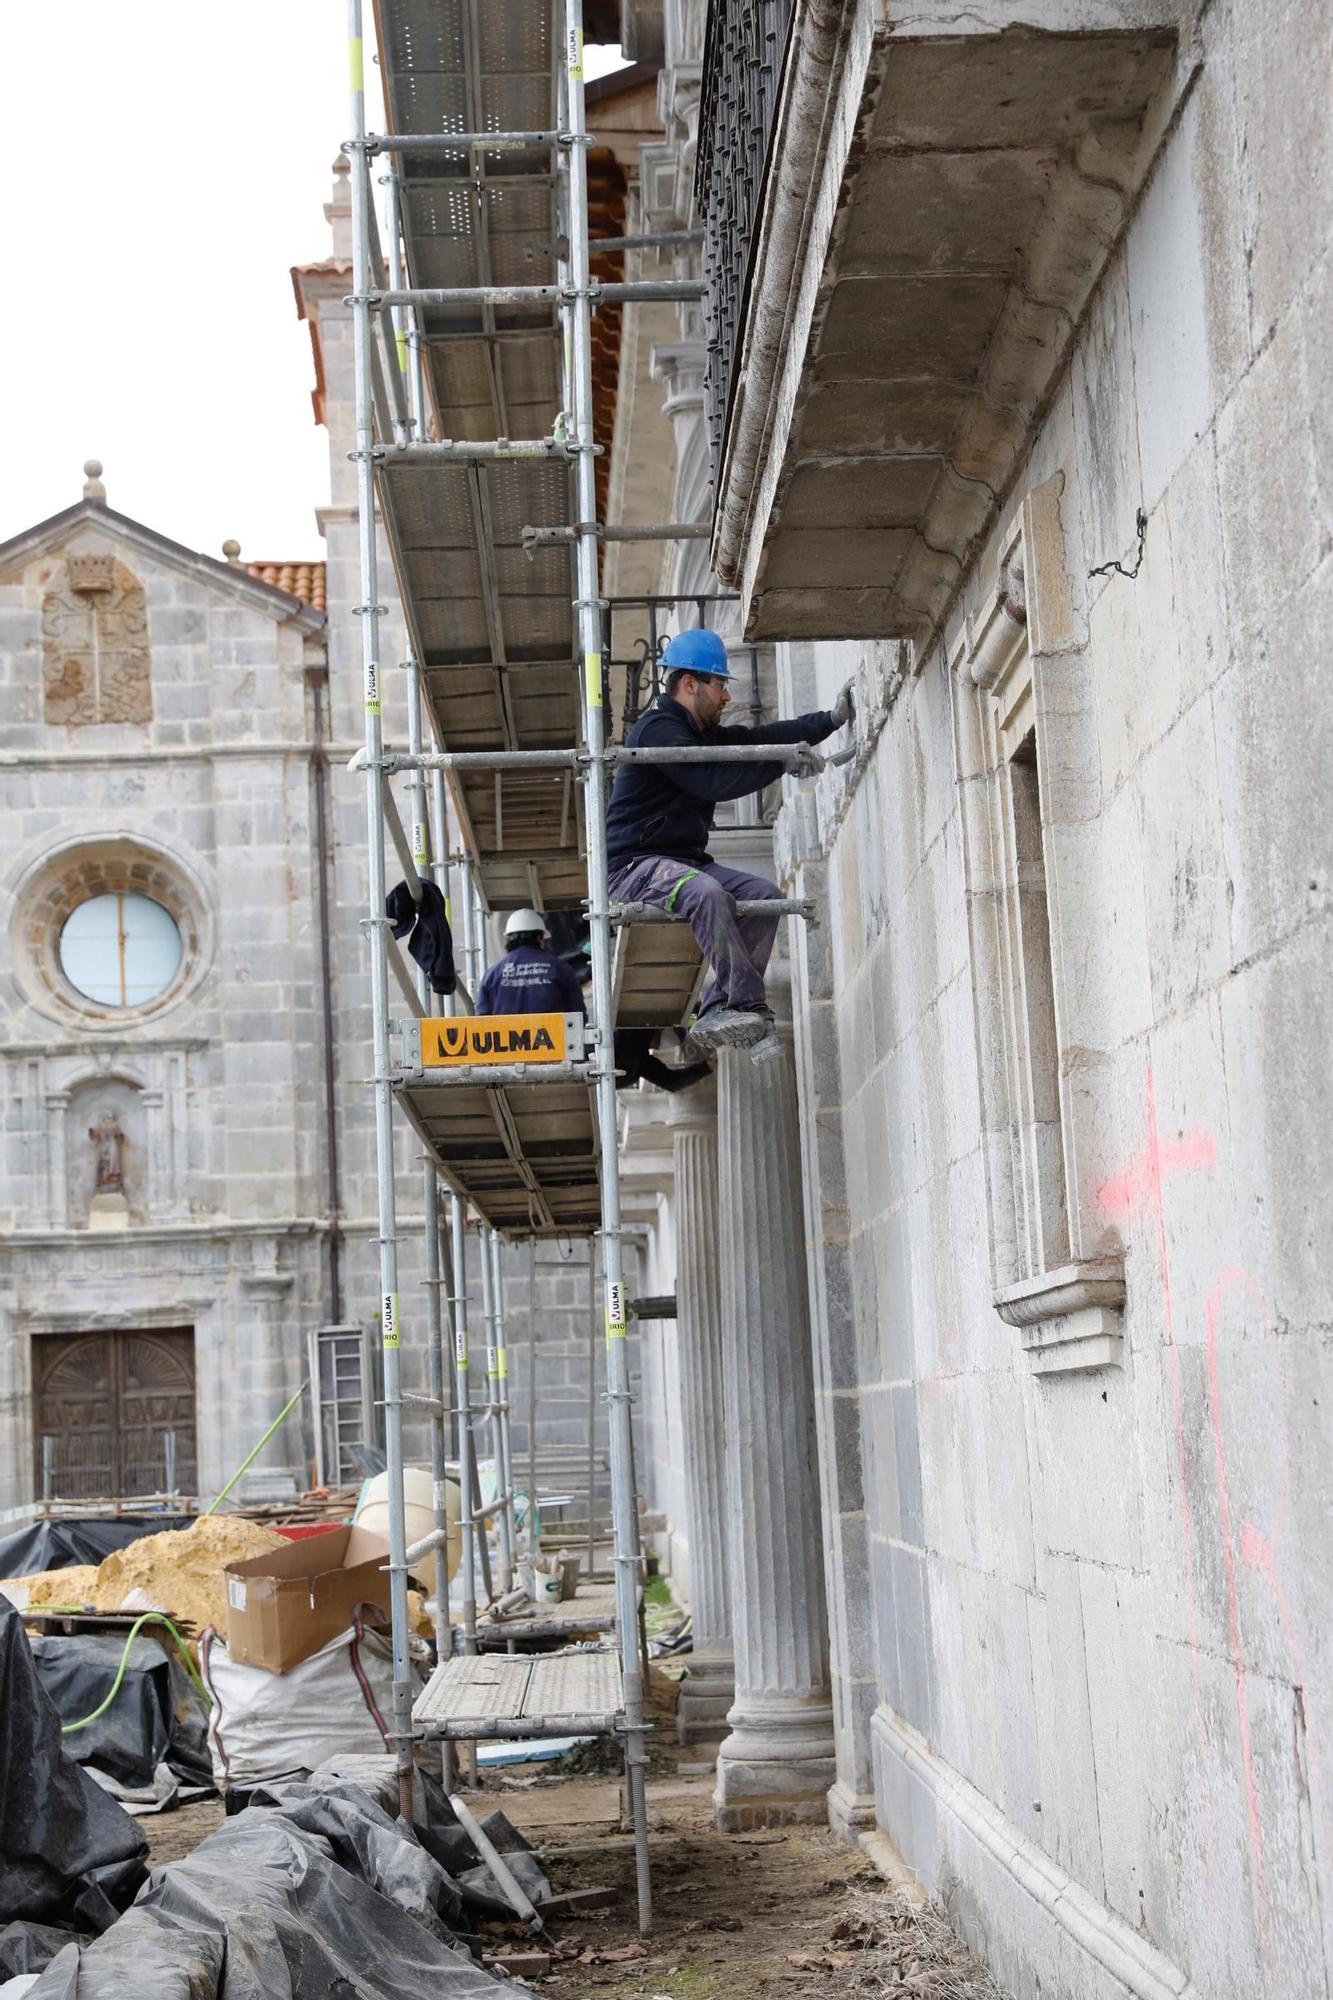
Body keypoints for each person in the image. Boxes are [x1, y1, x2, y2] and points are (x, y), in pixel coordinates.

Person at [605, 629, 853, 1050]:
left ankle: (720, 1005)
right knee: (706, 893)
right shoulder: (658, 730)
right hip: (635, 867)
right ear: (690, 683)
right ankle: (745, 1005)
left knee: (765, 894)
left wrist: (828, 721)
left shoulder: (699, 734)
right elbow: (712, 782)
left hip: (682, 862)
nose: (726, 697)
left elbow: (759, 740)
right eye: (720, 685)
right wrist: (783, 764)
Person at [477, 909, 587, 1018]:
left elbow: (481, 1020)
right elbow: (578, 1016)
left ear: (509, 939)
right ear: (540, 938)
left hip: (505, 1035)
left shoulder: (492, 975)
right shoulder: (561, 969)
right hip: (554, 1035)